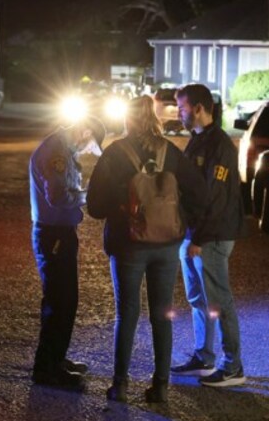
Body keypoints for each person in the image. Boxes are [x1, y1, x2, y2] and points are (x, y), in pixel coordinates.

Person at [87, 95, 208, 403]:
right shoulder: (171, 152)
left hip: (128, 244)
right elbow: (199, 193)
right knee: (161, 314)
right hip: (167, 244)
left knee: (127, 314)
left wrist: (121, 206)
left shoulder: (115, 153)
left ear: (128, 119)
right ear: (154, 118)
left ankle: (121, 385)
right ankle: (161, 385)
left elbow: (95, 206)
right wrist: (181, 220)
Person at [171, 83, 248, 388]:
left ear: (199, 108)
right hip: (194, 234)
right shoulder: (197, 140)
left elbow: (215, 197)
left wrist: (199, 240)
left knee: (219, 300)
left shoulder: (219, 145)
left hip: (212, 236)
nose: (179, 113)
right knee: (198, 298)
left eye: (182, 108)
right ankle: (204, 356)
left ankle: (233, 367)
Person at [29, 116, 106, 390]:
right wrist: (88, 196)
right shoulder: (57, 151)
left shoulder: (63, 148)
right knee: (59, 302)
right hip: (53, 235)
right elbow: (59, 197)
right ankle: (47, 369)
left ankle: (56, 359)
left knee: (66, 301)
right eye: (89, 145)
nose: (87, 151)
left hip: (59, 233)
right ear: (84, 131)